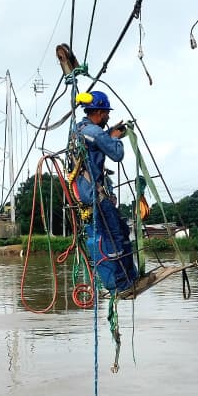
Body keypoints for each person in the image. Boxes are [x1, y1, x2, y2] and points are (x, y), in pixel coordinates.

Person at [72, 90, 137, 292]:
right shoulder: (95, 133)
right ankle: (122, 284)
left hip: (86, 193)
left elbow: (94, 145)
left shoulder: (79, 129)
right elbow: (117, 154)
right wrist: (116, 137)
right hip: (95, 194)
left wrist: (109, 134)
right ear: (99, 112)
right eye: (106, 113)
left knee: (123, 230)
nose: (108, 117)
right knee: (114, 237)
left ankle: (130, 276)